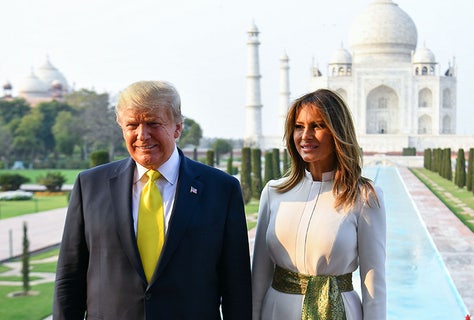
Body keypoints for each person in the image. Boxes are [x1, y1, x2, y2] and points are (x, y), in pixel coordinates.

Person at [53, 80, 252, 319]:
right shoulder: (90, 186)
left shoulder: (221, 189)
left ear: (178, 127)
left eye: (153, 123)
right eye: (132, 125)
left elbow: (237, 286)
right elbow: (69, 278)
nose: (142, 135)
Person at [251, 89, 386, 320]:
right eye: (299, 126)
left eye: (317, 126)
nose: (305, 135)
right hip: (277, 311)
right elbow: (260, 275)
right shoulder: (275, 192)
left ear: (337, 132)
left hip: (339, 310)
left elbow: (374, 282)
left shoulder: (363, 197)